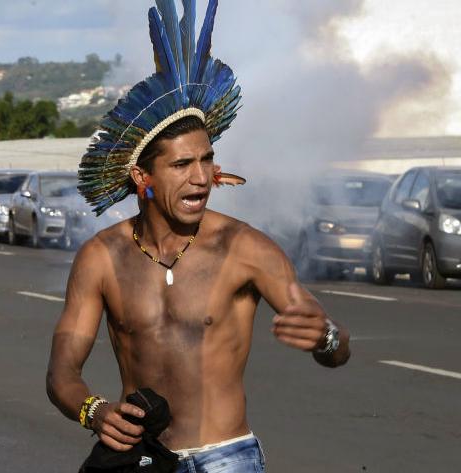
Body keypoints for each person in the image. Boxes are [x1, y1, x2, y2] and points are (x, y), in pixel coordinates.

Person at [45, 2, 351, 472]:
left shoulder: (246, 249)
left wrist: (326, 337)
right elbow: (62, 373)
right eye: (182, 165)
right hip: (143, 460)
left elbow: (335, 348)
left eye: (207, 160)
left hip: (227, 459)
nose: (202, 178)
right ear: (141, 175)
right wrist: (95, 411)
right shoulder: (101, 258)